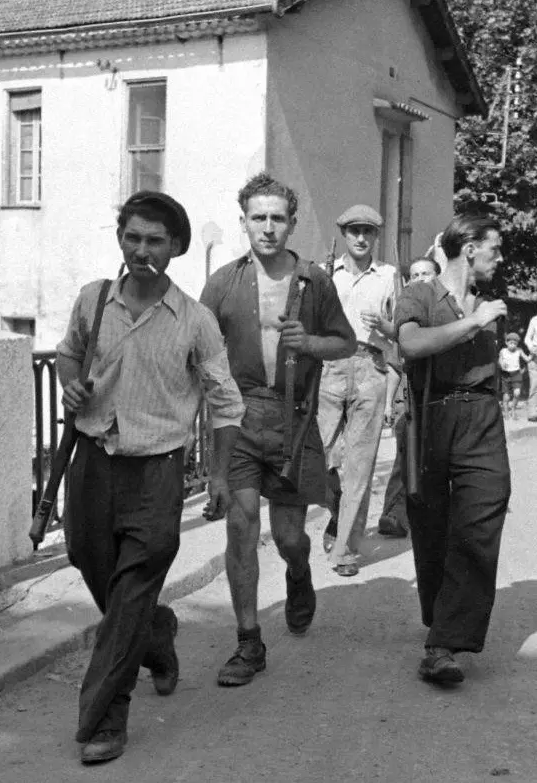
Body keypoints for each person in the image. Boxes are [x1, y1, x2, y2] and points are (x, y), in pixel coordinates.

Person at [57, 191, 245, 765]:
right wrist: (70, 382)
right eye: (133, 238)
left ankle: (106, 719)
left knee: (132, 587)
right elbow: (68, 355)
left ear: (177, 248)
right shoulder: (93, 302)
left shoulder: (196, 321)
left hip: (158, 473)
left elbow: (226, 403)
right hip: (92, 463)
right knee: (94, 568)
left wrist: (217, 475)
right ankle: (157, 634)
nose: (142, 251)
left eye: (155, 241)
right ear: (121, 240)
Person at [199, 173, 355, 687]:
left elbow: (346, 343)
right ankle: (249, 642)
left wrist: (308, 343)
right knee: (241, 527)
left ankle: (298, 573)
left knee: (289, 538)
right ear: (244, 221)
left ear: (292, 223)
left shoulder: (314, 281)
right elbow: (198, 355)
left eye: (278, 218)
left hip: (295, 418)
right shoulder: (223, 282)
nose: (268, 227)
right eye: (258, 217)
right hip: (239, 419)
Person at [394, 213, 510, 686]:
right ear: (469, 249)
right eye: (494, 249)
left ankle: (443, 645)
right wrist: (473, 325)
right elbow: (410, 343)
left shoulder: (488, 303)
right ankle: (441, 618)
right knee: (432, 523)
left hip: (482, 418)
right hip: (432, 416)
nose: (499, 259)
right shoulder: (420, 293)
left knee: (482, 515)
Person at [315, 205, 399, 577]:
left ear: (376, 236)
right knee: (323, 457)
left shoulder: (389, 277)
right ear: (343, 234)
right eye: (354, 231)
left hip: (370, 366)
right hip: (329, 369)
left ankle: (346, 547)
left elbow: (403, 330)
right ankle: (337, 516)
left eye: (368, 231)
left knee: (360, 462)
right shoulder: (324, 273)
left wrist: (386, 325)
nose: (361, 238)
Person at [375, 255, 440, 539]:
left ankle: (431, 516)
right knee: (404, 456)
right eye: (414, 275)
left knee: (437, 461)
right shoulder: (405, 317)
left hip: (440, 400)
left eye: (426, 273)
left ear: (437, 277)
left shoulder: (446, 312)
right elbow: (393, 366)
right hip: (409, 400)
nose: (420, 279)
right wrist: (389, 403)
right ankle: (392, 515)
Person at [498, 332, 533, 418]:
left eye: (515, 343)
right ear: (506, 343)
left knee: (517, 393)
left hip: (516, 374)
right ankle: (506, 412)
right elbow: (499, 361)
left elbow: (527, 359)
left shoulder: (519, 350)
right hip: (506, 375)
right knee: (506, 397)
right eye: (511, 343)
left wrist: (532, 353)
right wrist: (502, 365)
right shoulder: (503, 351)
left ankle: (513, 409)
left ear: (517, 344)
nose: (513, 345)